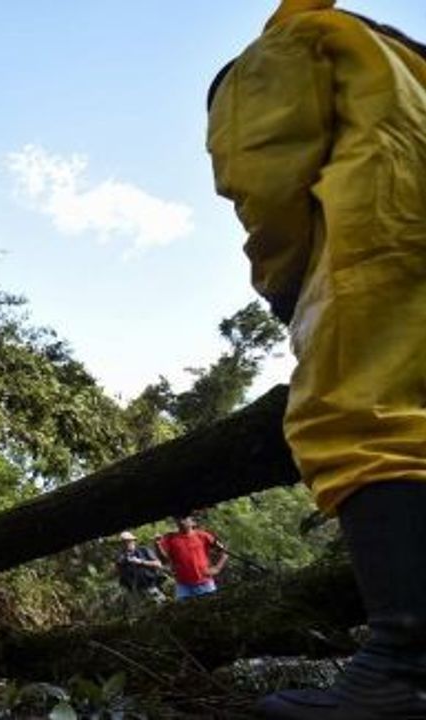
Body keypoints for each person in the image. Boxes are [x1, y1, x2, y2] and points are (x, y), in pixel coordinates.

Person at [206, 1, 426, 716]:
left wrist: (284, 281)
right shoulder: (399, 61)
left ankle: (405, 665)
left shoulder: (286, 45)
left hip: (385, 230)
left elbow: (265, 179)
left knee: (360, 417)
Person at [154, 515, 226, 601]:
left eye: (184, 518)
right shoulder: (170, 538)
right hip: (183, 586)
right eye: (178, 519)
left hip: (205, 583)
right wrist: (157, 545)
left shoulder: (203, 535)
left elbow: (223, 551)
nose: (181, 521)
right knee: (185, 612)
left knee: (213, 609)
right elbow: (164, 560)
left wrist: (217, 568)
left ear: (192, 522)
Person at [115, 531, 164, 606]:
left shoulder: (143, 550)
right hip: (134, 592)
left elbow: (158, 564)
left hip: (150, 586)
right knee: (142, 615)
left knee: (161, 605)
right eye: (124, 542)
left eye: (128, 541)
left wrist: (141, 562)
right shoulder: (121, 557)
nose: (126, 544)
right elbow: (119, 573)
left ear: (133, 541)